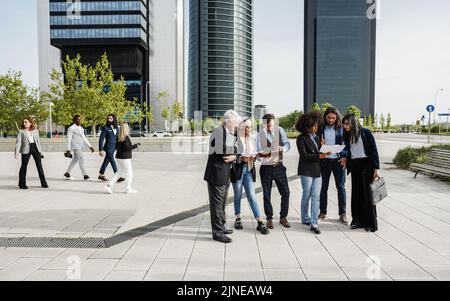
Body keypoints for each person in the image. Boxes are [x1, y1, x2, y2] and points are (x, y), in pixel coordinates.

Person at [204, 110, 241, 244]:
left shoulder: (228, 133)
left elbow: (233, 150)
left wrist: (234, 153)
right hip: (216, 175)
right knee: (217, 205)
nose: (237, 125)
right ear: (229, 121)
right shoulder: (218, 132)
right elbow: (225, 152)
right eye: (236, 122)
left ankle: (222, 226)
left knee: (222, 203)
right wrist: (236, 151)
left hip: (225, 174)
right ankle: (217, 232)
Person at [342, 114, 381, 233]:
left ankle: (371, 223)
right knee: (356, 193)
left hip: (367, 164)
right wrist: (344, 158)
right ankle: (357, 221)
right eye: (344, 124)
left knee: (367, 194)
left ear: (353, 123)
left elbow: (374, 150)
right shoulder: (347, 135)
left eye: (347, 123)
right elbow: (347, 150)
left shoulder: (366, 132)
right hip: (355, 165)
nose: (345, 126)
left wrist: (376, 168)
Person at [231, 118, 270, 235]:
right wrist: (241, 157)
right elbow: (230, 155)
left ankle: (259, 221)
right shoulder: (234, 139)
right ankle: (238, 218)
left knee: (252, 196)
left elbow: (257, 156)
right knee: (237, 195)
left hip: (249, 169)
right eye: (247, 127)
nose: (249, 129)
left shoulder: (252, 139)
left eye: (250, 127)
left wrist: (261, 155)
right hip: (237, 170)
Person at [296, 112, 332, 234]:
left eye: (317, 126)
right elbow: (304, 155)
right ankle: (305, 218)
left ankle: (314, 222)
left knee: (316, 196)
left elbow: (318, 153)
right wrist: (320, 155)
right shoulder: (301, 138)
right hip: (306, 170)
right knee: (307, 194)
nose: (316, 128)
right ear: (307, 125)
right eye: (314, 126)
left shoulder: (317, 138)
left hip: (317, 170)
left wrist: (322, 147)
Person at [256, 113, 291, 229]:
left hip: (279, 166)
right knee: (267, 195)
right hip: (266, 168)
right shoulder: (259, 135)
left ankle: (283, 217)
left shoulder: (280, 130)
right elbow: (257, 153)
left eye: (271, 125)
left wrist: (283, 148)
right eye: (267, 126)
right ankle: (269, 218)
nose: (269, 128)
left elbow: (287, 143)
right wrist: (263, 156)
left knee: (286, 192)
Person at [317, 107, 349, 224]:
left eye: (333, 118)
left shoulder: (341, 128)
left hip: (338, 161)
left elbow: (346, 144)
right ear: (325, 117)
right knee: (323, 187)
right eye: (329, 117)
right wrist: (319, 144)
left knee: (340, 187)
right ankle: (323, 212)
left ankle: (342, 213)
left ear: (337, 118)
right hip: (324, 161)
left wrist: (344, 156)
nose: (331, 120)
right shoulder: (320, 128)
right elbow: (315, 143)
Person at [105, 122, 140, 194]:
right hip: (125, 158)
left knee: (119, 172)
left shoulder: (119, 137)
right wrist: (136, 145)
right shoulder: (125, 137)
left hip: (119, 157)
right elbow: (128, 148)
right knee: (129, 173)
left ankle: (109, 185)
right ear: (126, 128)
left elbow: (117, 147)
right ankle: (128, 189)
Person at [15, 117, 48, 190]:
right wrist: (16, 153)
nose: (24, 123)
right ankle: (22, 184)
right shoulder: (21, 132)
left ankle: (44, 183)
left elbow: (38, 142)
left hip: (36, 148)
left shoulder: (36, 131)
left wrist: (40, 152)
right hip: (26, 149)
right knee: (24, 166)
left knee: (39, 166)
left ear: (30, 123)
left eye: (26, 122)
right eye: (24, 122)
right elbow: (18, 142)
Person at [64, 115, 95, 180]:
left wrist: (90, 146)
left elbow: (84, 138)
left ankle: (67, 172)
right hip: (76, 146)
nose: (79, 120)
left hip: (80, 146)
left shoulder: (81, 128)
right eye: (78, 119)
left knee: (75, 160)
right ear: (74, 120)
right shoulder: (71, 128)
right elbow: (69, 139)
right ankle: (85, 175)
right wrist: (68, 149)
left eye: (80, 119)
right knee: (81, 159)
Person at [98, 114, 124, 183]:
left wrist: (118, 147)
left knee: (106, 161)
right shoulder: (105, 128)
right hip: (108, 147)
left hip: (114, 148)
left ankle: (101, 174)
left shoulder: (117, 128)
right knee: (112, 161)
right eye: (108, 118)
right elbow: (101, 139)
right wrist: (100, 149)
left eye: (110, 118)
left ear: (114, 119)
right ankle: (117, 176)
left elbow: (117, 138)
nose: (109, 120)